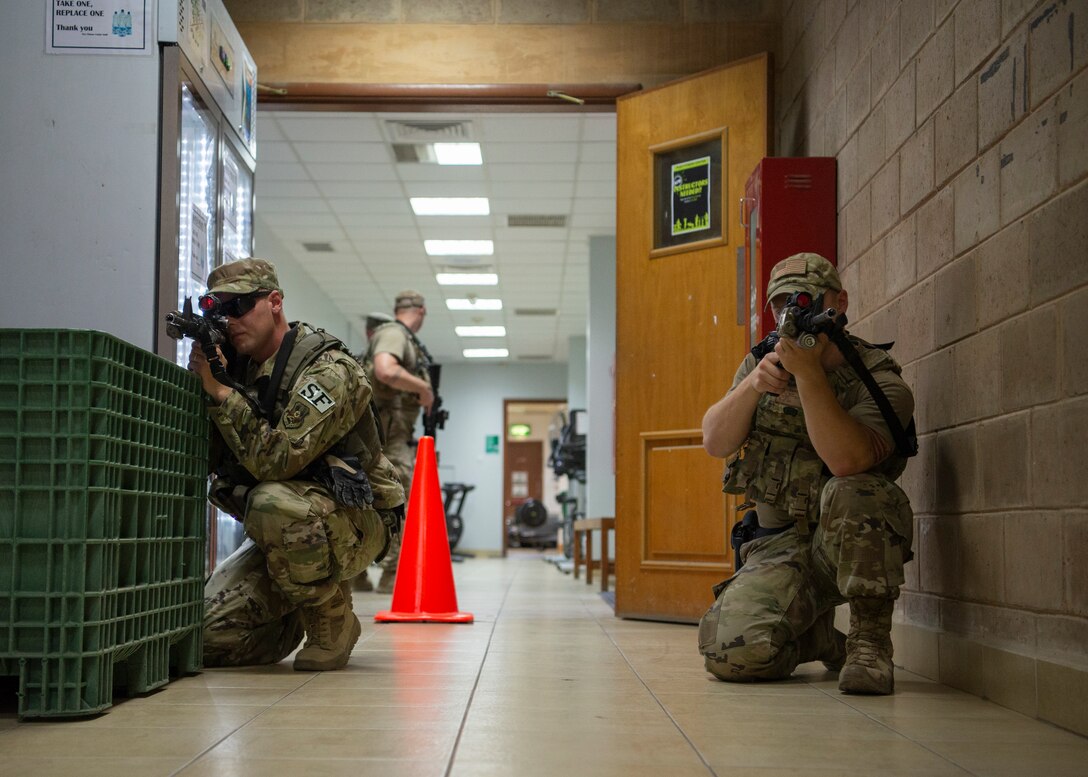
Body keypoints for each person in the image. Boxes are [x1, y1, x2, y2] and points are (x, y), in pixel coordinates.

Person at [698, 252, 915, 695]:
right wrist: (752, 386)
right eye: (779, 304)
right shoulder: (761, 364)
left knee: (858, 489)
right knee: (729, 653)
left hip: (848, 547)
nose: (790, 312)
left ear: (840, 301)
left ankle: (869, 643)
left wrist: (809, 375)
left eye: (803, 299)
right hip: (777, 547)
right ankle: (818, 639)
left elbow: (848, 461)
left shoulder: (876, 378)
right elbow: (715, 441)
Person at [188, 258, 405, 671]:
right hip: (294, 528)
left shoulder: (328, 370)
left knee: (272, 500)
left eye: (240, 307)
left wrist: (220, 394)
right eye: (220, 311)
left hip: (359, 520)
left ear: (274, 302)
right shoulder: (239, 371)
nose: (230, 321)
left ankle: (331, 619)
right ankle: (295, 603)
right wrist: (208, 381)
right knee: (207, 639)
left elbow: (276, 461)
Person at [363, 290, 434, 594]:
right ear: (422, 311)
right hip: (388, 441)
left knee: (369, 505)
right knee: (401, 504)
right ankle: (392, 577)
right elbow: (386, 370)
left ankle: (358, 576)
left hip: (384, 437)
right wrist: (424, 390)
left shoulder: (399, 335)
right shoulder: (394, 333)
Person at [352, 310, 394, 593]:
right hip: (373, 446)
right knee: (374, 508)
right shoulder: (364, 363)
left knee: (375, 508)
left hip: (372, 447)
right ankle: (372, 575)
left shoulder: (365, 363)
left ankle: (376, 574)